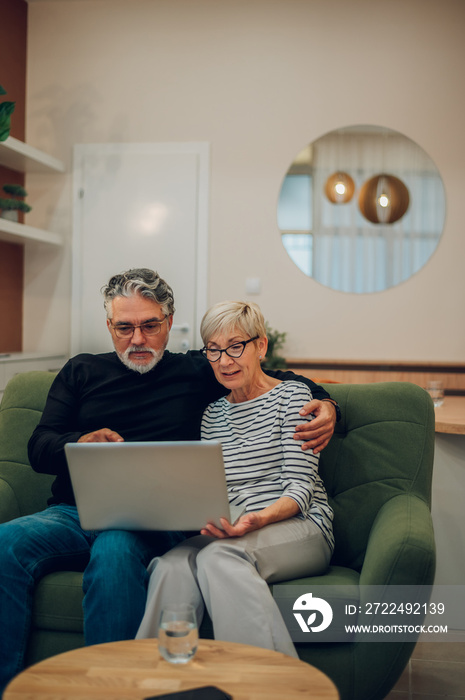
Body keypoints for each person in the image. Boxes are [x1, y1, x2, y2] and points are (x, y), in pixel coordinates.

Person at [0, 269, 338, 692]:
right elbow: (38, 447)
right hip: (75, 511)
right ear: (109, 326)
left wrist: (329, 404)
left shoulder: (198, 370)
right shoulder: (80, 372)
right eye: (124, 327)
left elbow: (273, 382)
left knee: (116, 547)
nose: (137, 339)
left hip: (153, 519)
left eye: (149, 326)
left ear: (168, 321)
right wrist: (80, 440)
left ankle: (118, 690)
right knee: (4, 542)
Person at [136, 300, 334, 657]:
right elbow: (215, 490)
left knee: (219, 559)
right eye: (214, 350)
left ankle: (267, 688)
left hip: (300, 524)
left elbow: (300, 489)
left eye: (236, 347)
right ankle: (155, 681)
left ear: (261, 346)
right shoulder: (211, 415)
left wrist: (257, 519)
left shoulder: (294, 398)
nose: (225, 361)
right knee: (170, 566)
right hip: (235, 528)